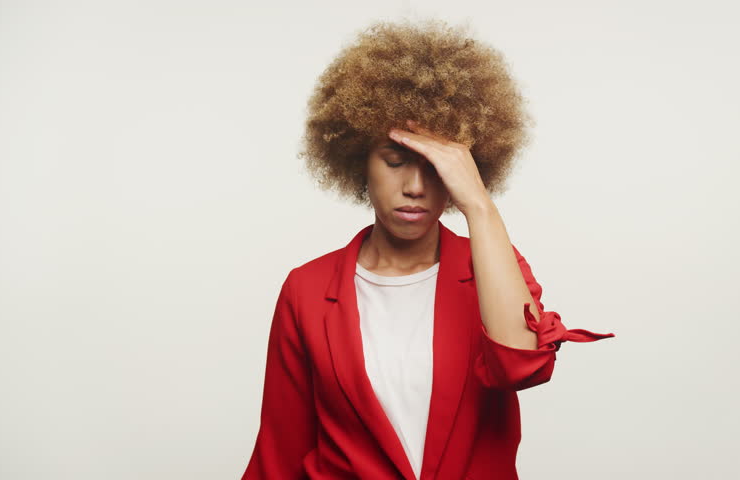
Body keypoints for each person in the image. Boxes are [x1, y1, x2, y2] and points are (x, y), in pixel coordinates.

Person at [241, 17, 615, 480]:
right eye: (395, 161)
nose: (415, 186)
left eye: (437, 167)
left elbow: (521, 367)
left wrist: (478, 204)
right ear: (360, 162)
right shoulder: (307, 289)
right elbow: (279, 452)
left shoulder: (493, 265)